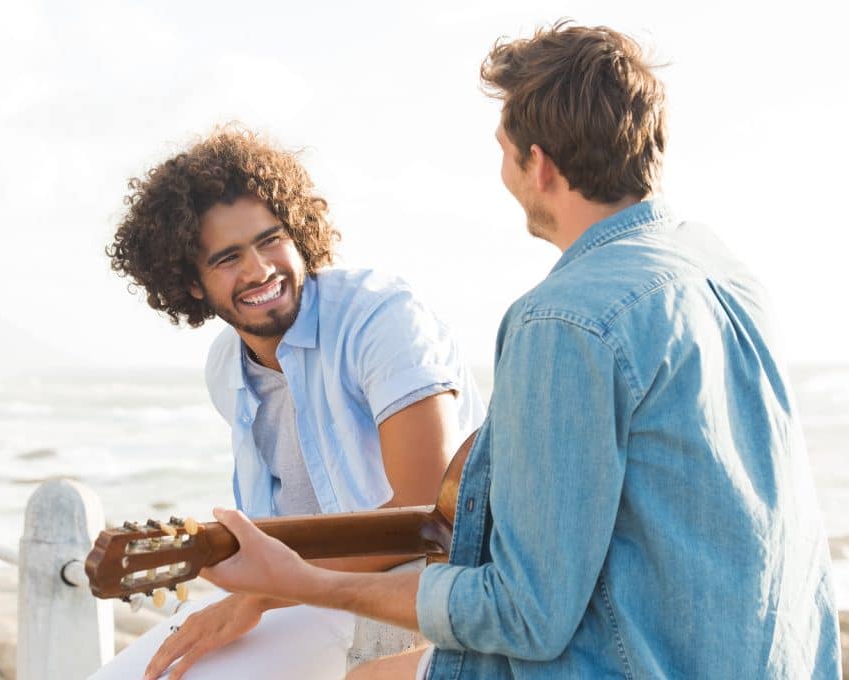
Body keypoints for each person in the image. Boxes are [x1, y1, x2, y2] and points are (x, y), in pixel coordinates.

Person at [191, 21, 843, 680]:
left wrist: (304, 583)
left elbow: (523, 615)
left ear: (540, 164)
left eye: (503, 148)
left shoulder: (563, 320)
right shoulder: (725, 272)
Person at [104, 127, 486, 679]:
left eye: (269, 240)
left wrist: (258, 595)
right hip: (307, 594)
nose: (259, 271)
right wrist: (239, 577)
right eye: (228, 258)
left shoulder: (380, 319)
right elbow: (280, 525)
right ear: (190, 283)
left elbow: (426, 514)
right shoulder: (225, 369)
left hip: (426, 586)